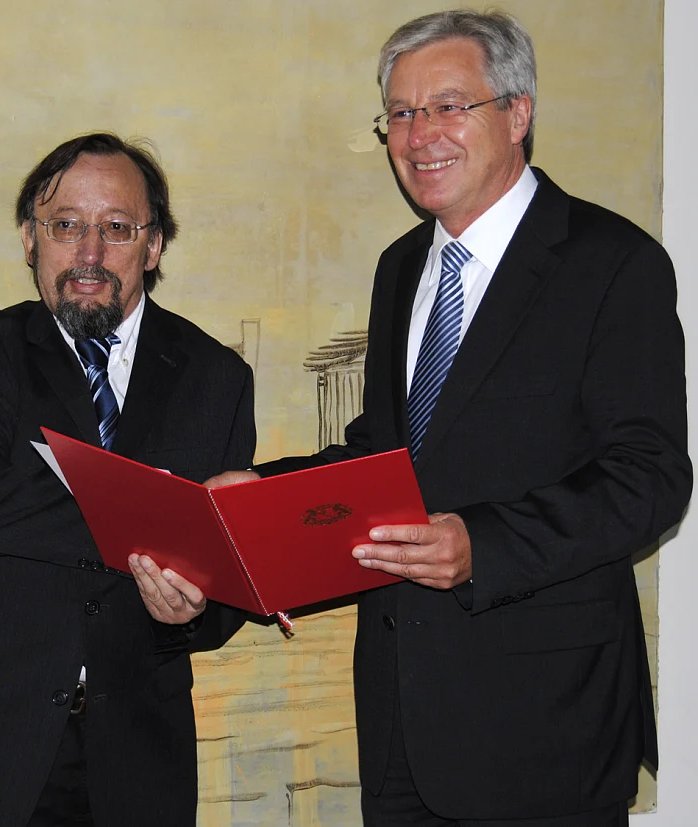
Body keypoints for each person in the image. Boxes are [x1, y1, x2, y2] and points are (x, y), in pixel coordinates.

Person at [208, 10, 691, 826]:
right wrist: (261, 498)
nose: (420, 133)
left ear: (518, 112)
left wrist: (484, 546)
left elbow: (648, 479)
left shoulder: (615, 263)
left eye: (448, 106)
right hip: (400, 717)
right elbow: (386, 457)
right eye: (400, 113)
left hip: (547, 724)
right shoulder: (401, 268)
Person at [0, 132, 255, 827]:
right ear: (29, 239)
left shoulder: (218, 377)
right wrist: (162, 516)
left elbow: (224, 575)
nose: (89, 253)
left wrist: (195, 612)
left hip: (137, 764)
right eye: (65, 225)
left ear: (154, 245)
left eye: (117, 228)